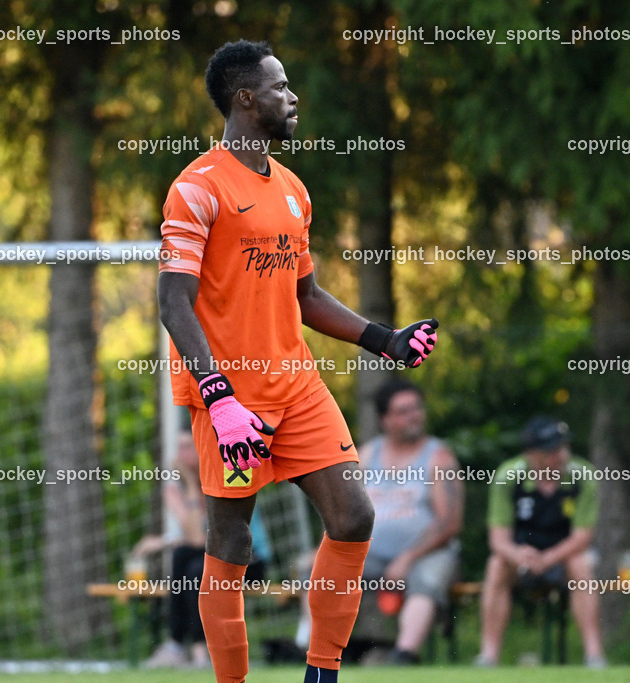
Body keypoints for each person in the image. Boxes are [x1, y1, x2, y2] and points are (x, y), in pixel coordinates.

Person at [157, 39, 439, 683]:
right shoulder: (196, 189)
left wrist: (384, 339)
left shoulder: (291, 189)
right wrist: (219, 399)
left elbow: (305, 295)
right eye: (281, 87)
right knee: (231, 543)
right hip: (230, 399)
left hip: (296, 385)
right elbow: (174, 304)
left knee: (354, 516)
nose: (294, 98)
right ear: (246, 99)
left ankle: (322, 673)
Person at [475, 416, 606, 668]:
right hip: (521, 554)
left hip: (565, 553)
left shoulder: (583, 475)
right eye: (552, 451)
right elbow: (498, 539)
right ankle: (488, 655)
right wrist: (518, 555)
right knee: (496, 565)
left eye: (563, 448)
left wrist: (548, 559)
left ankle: (594, 654)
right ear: (531, 454)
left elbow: (583, 537)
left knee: (580, 565)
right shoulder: (508, 476)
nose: (560, 456)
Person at [134, 430, 271, 669]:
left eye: (189, 446)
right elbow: (194, 538)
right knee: (182, 557)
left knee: (198, 569)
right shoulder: (174, 489)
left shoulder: (226, 475)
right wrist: (187, 484)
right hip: (215, 554)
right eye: (179, 447)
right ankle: (176, 644)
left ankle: (200, 653)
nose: (182, 453)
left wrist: (189, 482)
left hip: (249, 560)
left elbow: (198, 538)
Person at [355, 379, 462, 664]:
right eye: (403, 411)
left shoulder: (439, 458)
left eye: (416, 408)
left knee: (426, 579)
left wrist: (407, 558)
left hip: (428, 553)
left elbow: (449, 523)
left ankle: (403, 657)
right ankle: (311, 647)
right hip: (372, 554)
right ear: (385, 420)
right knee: (316, 567)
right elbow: (347, 511)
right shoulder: (367, 456)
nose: (413, 415)